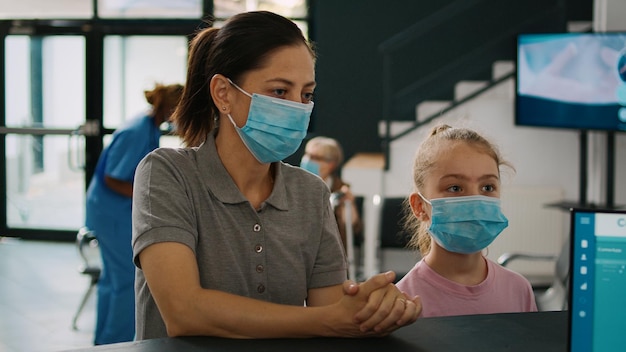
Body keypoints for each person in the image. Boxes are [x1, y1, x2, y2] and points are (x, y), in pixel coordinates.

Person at [131, 11, 421, 340]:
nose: (297, 107)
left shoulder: (310, 192)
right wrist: (326, 320)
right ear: (223, 93)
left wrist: (376, 309)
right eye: (280, 92)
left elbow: (332, 310)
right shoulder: (167, 173)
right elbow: (184, 312)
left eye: (306, 94)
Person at [395, 124, 537, 318]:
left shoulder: (519, 290)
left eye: (487, 187)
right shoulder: (403, 302)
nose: (475, 201)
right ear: (420, 206)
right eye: (455, 188)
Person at [85, 82, 183, 345]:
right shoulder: (138, 131)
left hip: (106, 209)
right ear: (173, 107)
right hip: (112, 213)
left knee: (111, 280)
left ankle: (102, 343)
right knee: (127, 281)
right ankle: (115, 345)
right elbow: (114, 178)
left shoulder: (148, 125)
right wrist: (149, 195)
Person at [300, 136, 363, 253]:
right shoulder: (294, 184)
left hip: (328, 250)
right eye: (307, 154)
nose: (307, 160)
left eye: (315, 157)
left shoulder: (340, 190)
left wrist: (349, 204)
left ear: (331, 164)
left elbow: (352, 227)